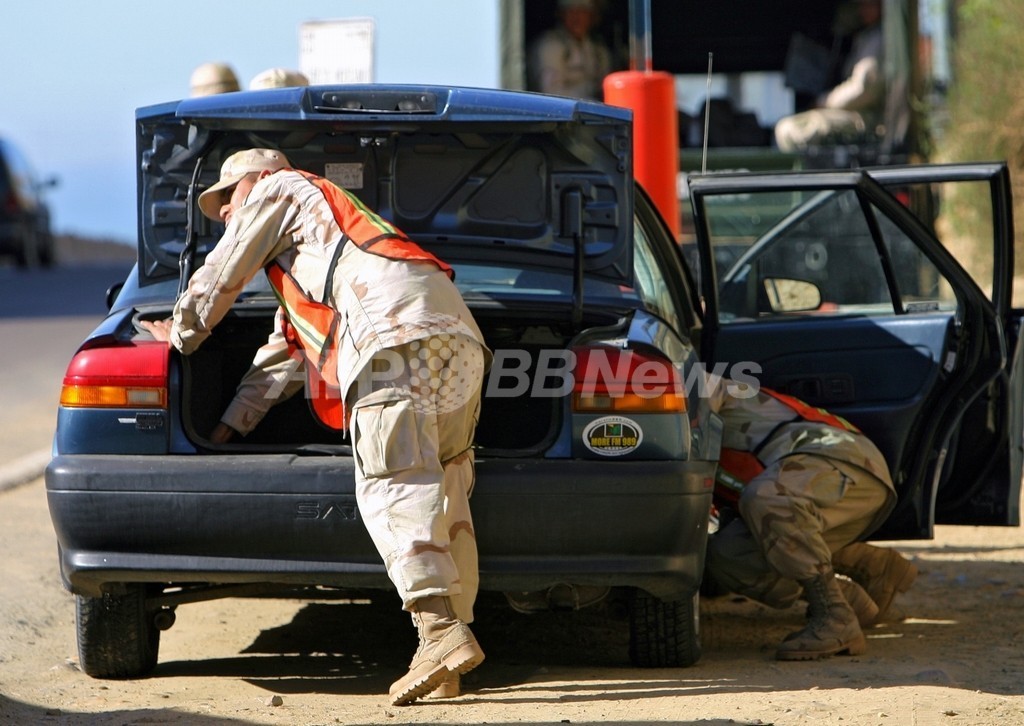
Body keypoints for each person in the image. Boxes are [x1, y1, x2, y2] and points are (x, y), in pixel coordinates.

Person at [141, 148, 491, 705]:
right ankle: (449, 660)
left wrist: (181, 334)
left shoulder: (281, 189)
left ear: (256, 181)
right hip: (454, 334)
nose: (228, 214)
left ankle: (440, 634)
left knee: (393, 484)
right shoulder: (321, 251)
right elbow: (281, 355)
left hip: (390, 333)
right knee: (445, 485)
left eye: (228, 198)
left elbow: (223, 269)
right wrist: (229, 428)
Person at [704, 376, 918, 661]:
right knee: (726, 553)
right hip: (810, 485)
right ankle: (866, 575)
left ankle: (835, 616)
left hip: (840, 458)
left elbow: (689, 426)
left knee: (768, 498)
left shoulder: (690, 382)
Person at [774, 0, 885, 151]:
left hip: (872, 120)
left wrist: (823, 102)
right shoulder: (864, 37)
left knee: (789, 130)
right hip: (861, 115)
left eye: (869, 4)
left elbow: (863, 88)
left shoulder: (878, 38)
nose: (862, 9)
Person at [528, 0, 613, 100]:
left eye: (582, 11)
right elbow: (552, 92)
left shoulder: (598, 49)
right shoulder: (550, 45)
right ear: (561, 15)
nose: (577, 17)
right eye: (571, 11)